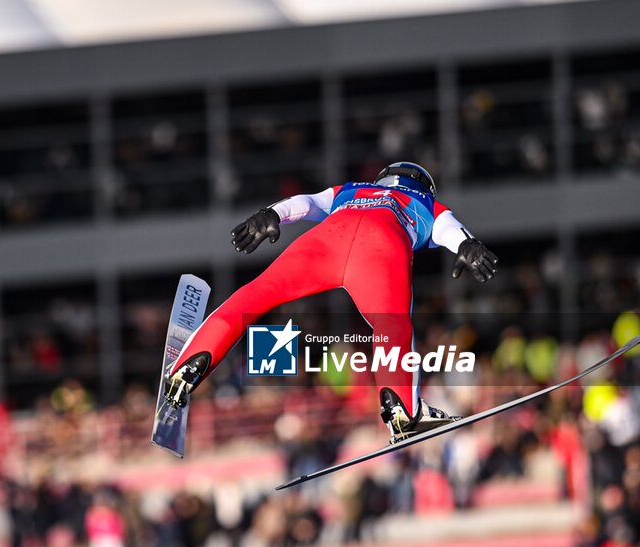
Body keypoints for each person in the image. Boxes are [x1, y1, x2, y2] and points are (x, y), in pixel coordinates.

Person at [166, 162, 498, 443]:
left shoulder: (353, 189)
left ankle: (187, 366)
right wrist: (468, 247)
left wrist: (272, 214)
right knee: (392, 325)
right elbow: (448, 228)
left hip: (326, 242)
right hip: (380, 248)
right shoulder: (424, 201)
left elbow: (307, 203)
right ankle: (402, 411)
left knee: (254, 296)